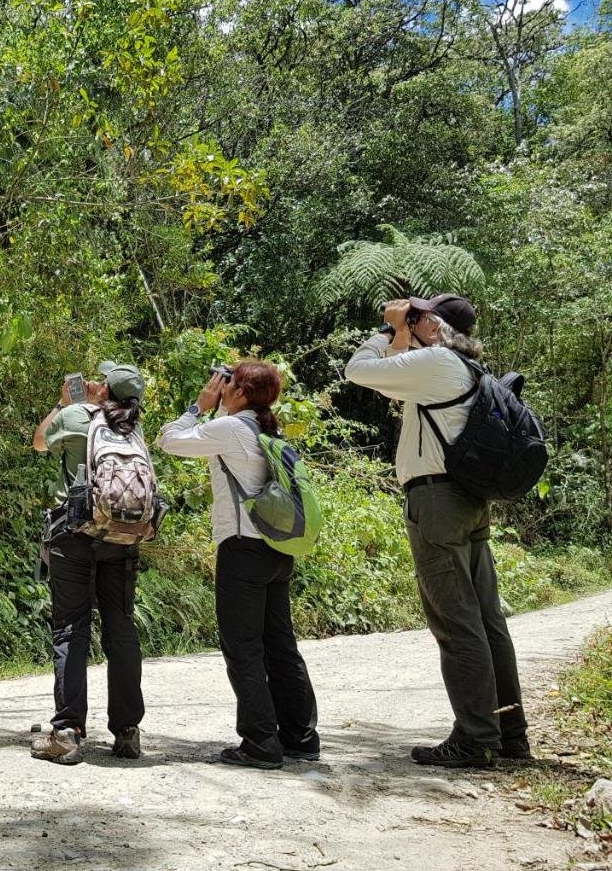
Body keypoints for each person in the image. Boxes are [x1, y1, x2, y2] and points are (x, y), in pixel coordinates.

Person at [344, 294, 529, 768]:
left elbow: (359, 371)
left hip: (437, 501)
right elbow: (390, 384)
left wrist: (387, 332)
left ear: (437, 327)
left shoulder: (435, 361)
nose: (415, 321)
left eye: (422, 317)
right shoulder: (464, 368)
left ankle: (473, 738)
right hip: (469, 501)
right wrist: (405, 336)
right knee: (487, 620)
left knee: (455, 620)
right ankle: (509, 734)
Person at [156, 361, 320, 770]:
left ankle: (261, 742)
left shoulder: (231, 428)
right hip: (276, 549)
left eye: (228, 384)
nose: (222, 389)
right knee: (281, 647)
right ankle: (300, 738)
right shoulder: (266, 429)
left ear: (241, 393)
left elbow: (169, 441)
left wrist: (199, 407)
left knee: (243, 649)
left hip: (242, 548)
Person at [29, 361, 147, 765]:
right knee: (121, 628)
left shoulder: (77, 416)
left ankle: (67, 733)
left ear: (104, 389)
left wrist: (64, 402)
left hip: (74, 533)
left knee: (70, 628)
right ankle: (127, 731)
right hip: (121, 537)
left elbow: (40, 442)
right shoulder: (133, 426)